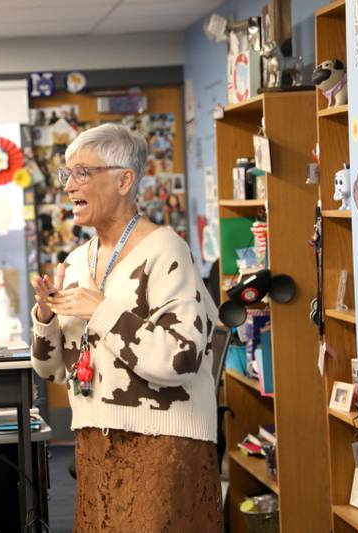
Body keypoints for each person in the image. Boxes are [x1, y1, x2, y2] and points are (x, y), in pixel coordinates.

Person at [30, 123, 222, 532]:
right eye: (66, 173)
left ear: (124, 179)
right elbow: (54, 370)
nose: (68, 186)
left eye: (83, 173)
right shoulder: (79, 259)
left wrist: (101, 310)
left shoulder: (165, 250)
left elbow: (181, 356)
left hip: (163, 444)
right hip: (96, 441)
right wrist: (45, 320)